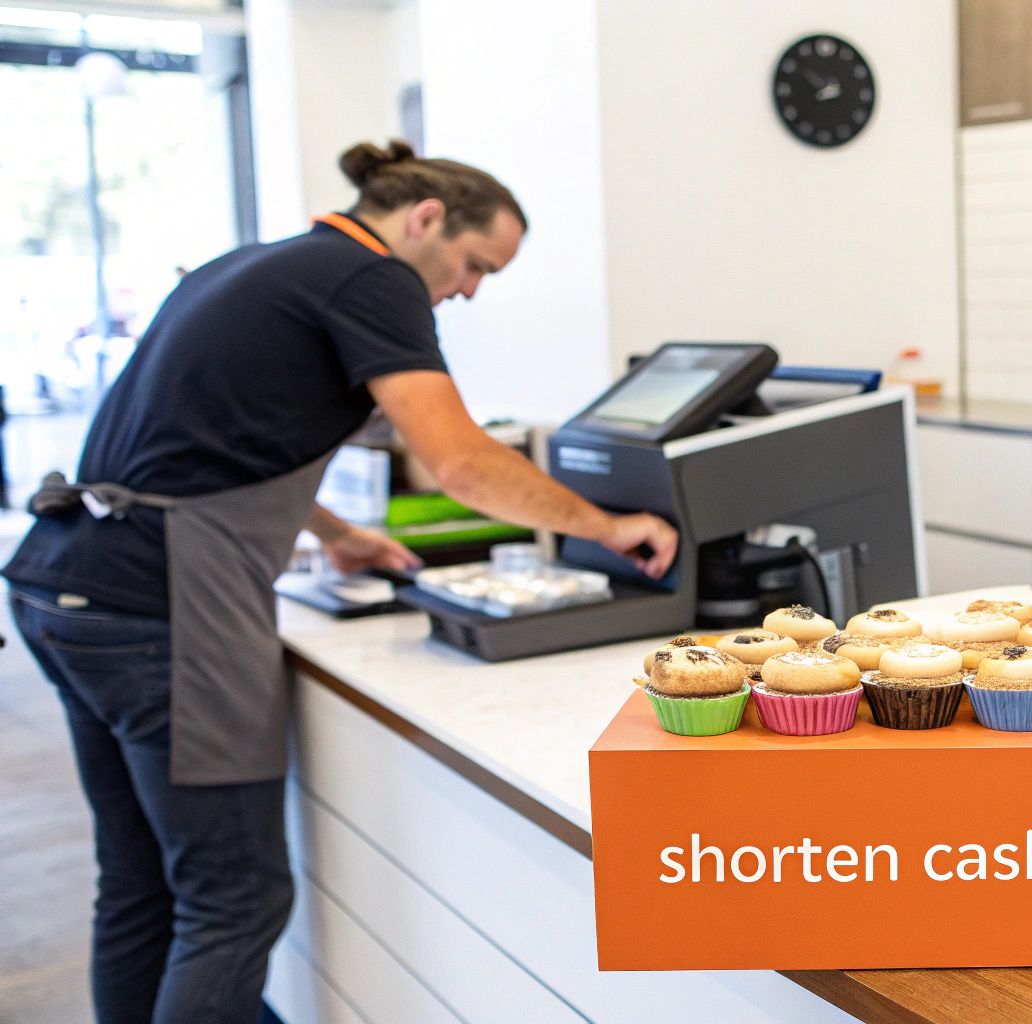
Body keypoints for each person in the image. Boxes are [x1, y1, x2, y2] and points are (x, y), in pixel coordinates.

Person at [2, 139, 677, 1024]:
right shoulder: (374, 279)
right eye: (476, 266)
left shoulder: (255, 263)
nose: (471, 290)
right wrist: (608, 525)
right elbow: (459, 463)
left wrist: (334, 533)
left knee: (139, 885)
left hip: (62, 585)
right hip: (163, 614)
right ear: (425, 220)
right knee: (232, 901)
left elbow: (198, 441)